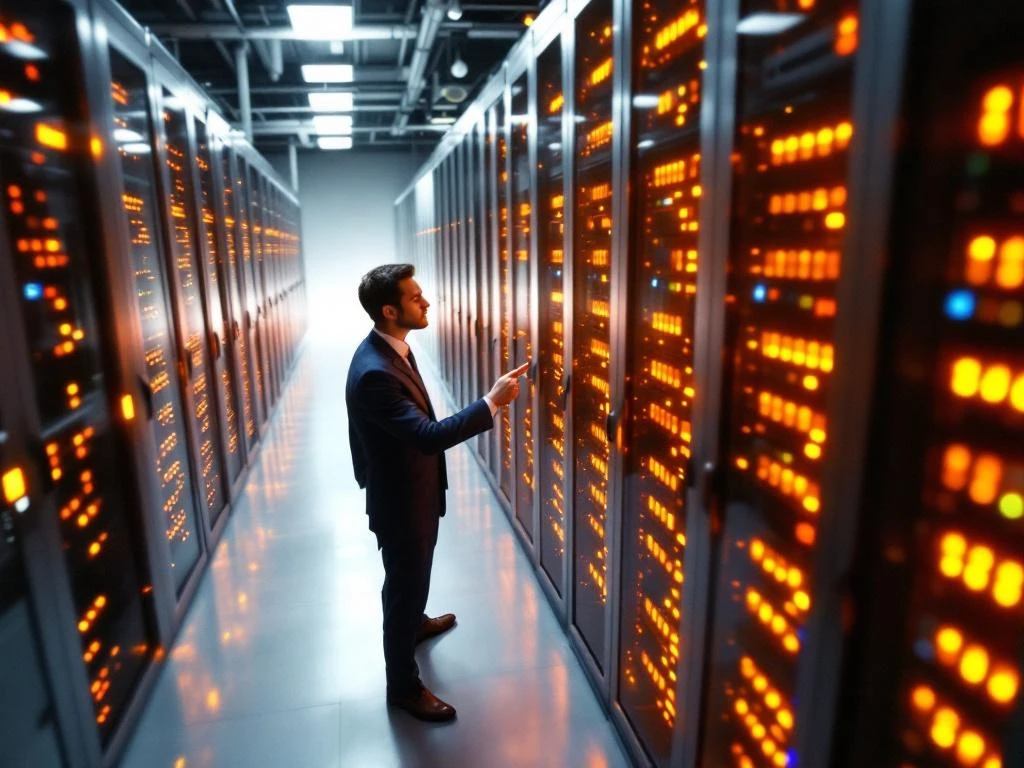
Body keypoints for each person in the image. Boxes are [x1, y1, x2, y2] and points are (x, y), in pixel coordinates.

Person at [345, 263, 527, 723]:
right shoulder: (374, 372)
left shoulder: (391, 350)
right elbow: (426, 435)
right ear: (390, 310)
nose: (426, 302)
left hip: (411, 490)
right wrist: (492, 401)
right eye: (415, 297)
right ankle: (403, 687)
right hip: (401, 500)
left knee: (412, 579)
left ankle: (416, 623)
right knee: (403, 587)